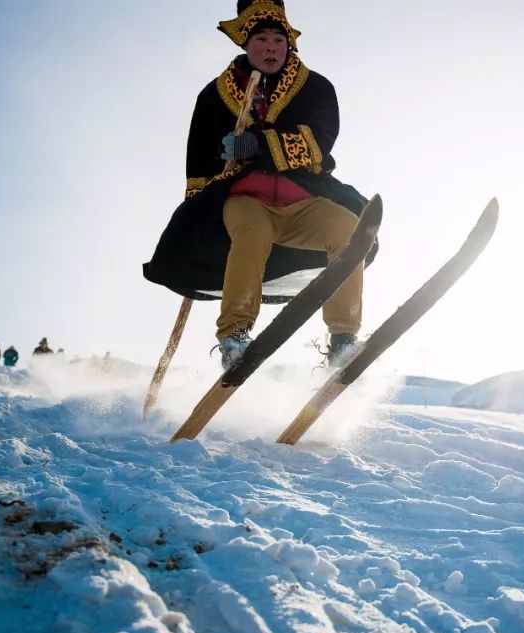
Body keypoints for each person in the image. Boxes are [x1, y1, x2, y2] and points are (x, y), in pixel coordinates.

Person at [142, 0, 377, 371]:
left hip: (303, 199)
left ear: (289, 44)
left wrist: (260, 143)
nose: (271, 47)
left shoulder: (314, 87)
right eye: (262, 38)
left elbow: (320, 139)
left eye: (278, 39)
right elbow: (198, 159)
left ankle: (343, 338)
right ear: (245, 44)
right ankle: (234, 336)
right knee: (251, 233)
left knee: (349, 230)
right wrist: (196, 213)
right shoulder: (213, 96)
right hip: (245, 198)